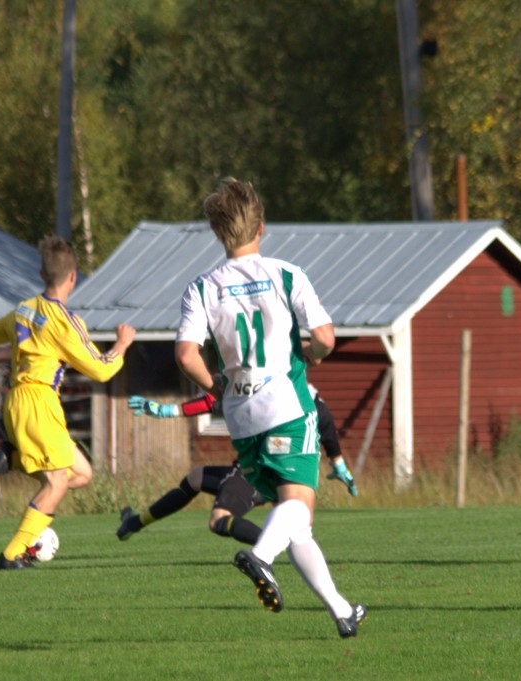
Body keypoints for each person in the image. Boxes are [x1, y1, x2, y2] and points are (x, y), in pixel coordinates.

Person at [174, 177, 366, 638]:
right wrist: (313, 355)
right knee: (298, 507)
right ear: (261, 227)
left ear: (219, 233)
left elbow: (185, 355)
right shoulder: (286, 274)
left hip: (241, 418)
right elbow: (324, 338)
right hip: (286, 407)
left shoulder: (201, 288)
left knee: (295, 521)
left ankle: (342, 611)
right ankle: (261, 556)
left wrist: (216, 385)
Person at [0, 235, 135, 570]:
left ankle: (11, 458)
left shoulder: (23, 310)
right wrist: (122, 344)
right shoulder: (66, 323)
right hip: (39, 403)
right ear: (73, 277)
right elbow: (101, 369)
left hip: (15, 400)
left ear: (41, 273)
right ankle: (12, 555)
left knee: (81, 473)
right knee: (56, 482)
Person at [117, 385, 357, 544]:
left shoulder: (267, 385)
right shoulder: (304, 394)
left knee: (219, 518)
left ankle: (267, 549)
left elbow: (213, 399)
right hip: (285, 474)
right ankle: (135, 523)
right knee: (195, 478)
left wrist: (165, 410)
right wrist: (339, 464)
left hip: (258, 471)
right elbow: (326, 424)